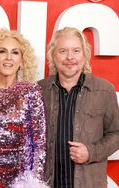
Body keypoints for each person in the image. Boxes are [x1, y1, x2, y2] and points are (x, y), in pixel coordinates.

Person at [38, 27, 119, 188]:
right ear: (52, 56)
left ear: (85, 55)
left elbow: (116, 133)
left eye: (76, 51)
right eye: (62, 51)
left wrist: (91, 152)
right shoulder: (39, 91)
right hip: (47, 183)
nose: (70, 57)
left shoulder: (104, 90)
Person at [0, 28, 47, 187]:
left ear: (22, 60)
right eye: (2, 51)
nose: (8, 58)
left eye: (15, 53)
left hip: (19, 179)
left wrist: (34, 181)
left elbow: (39, 143)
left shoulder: (30, 92)